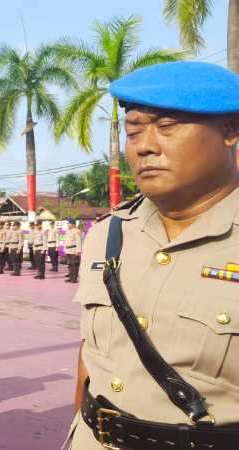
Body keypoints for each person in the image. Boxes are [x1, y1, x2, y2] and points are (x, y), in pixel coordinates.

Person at [67, 60, 239, 450]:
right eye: (134, 130)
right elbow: (92, 355)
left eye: (166, 126)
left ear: (229, 130)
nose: (144, 145)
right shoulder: (109, 235)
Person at [64, 219, 81, 283]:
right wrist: (65, 250)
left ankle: (74, 278)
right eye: (67, 223)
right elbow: (66, 242)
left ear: (73, 224)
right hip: (68, 250)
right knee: (69, 265)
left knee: (74, 265)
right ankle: (70, 277)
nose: (68, 225)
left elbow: (78, 241)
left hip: (74, 250)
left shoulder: (76, 231)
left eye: (69, 223)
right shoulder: (68, 231)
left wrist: (78, 251)